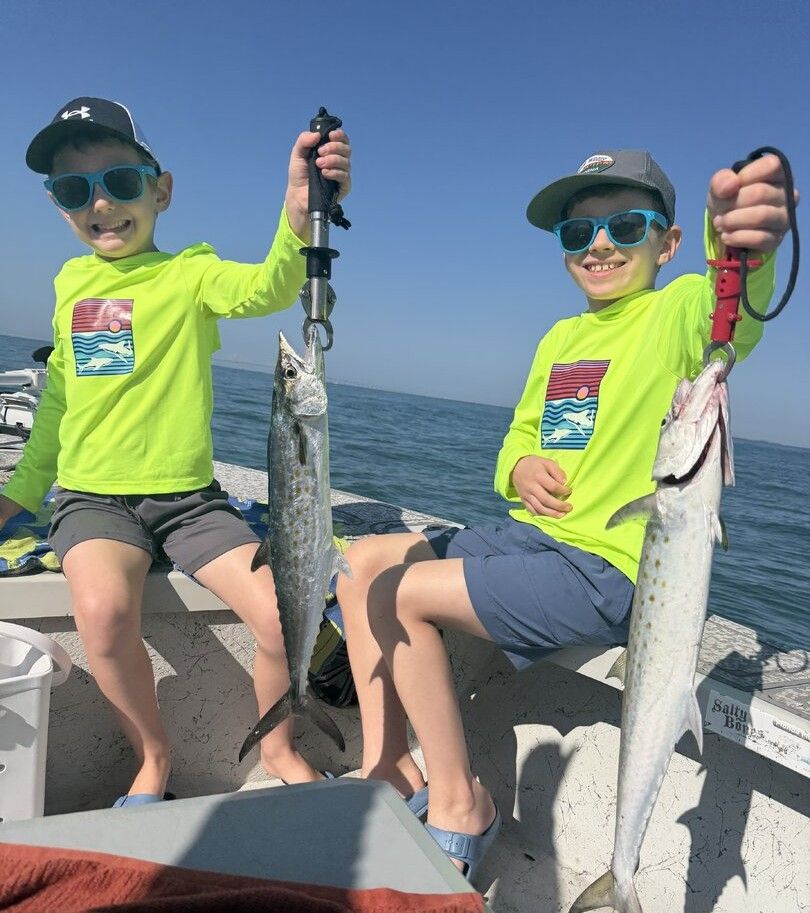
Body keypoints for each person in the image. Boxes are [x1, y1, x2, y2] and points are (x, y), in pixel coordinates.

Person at [336, 148, 795, 878]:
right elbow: (519, 436)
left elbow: (728, 309)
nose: (600, 244)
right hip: (532, 538)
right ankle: (386, 763)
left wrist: (743, 240)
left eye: (625, 224)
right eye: (577, 234)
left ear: (668, 243)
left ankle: (460, 802)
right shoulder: (560, 338)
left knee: (402, 594)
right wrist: (518, 465)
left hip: (609, 570)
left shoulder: (674, 312)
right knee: (359, 564)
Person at [0, 96, 351, 806]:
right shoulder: (70, 284)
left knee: (283, 614)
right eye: (75, 191)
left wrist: (293, 208)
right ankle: (152, 759)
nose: (101, 203)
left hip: (190, 502)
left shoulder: (190, 272)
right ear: (59, 205)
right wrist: (15, 499)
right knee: (101, 615)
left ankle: (279, 745)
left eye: (121, 182)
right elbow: (60, 405)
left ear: (160, 189)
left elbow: (269, 288)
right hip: (91, 499)